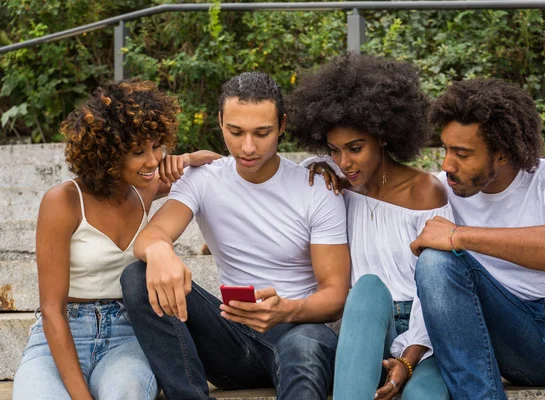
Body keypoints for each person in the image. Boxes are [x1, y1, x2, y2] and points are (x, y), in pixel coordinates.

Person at [119, 71, 351, 400]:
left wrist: (285, 311)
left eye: (262, 133)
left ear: (282, 126)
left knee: (305, 345)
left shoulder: (316, 189)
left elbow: (335, 295)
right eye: (235, 131)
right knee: (137, 276)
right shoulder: (203, 179)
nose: (248, 147)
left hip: (298, 332)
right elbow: (151, 236)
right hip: (229, 337)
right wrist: (160, 252)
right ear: (220, 122)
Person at [12, 78, 221, 400]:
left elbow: (219, 164)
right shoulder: (63, 201)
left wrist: (187, 159)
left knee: (128, 393)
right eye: (138, 151)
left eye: (157, 146)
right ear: (107, 154)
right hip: (64, 332)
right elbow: (52, 309)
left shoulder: (145, 188)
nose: (152, 160)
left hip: (128, 334)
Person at [410, 78, 545, 400]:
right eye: (445, 149)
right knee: (434, 263)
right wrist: (324, 173)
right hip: (513, 345)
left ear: (501, 154)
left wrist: (461, 236)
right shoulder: (441, 190)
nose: (446, 165)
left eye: (462, 154)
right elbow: (376, 183)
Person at [287, 53, 451, 400]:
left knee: (424, 397)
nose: (344, 162)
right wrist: (321, 164)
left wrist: (406, 363)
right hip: (366, 328)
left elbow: (439, 289)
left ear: (384, 136)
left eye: (355, 148)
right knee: (367, 289)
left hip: (427, 335)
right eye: (334, 150)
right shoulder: (337, 187)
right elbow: (300, 171)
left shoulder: (425, 192)